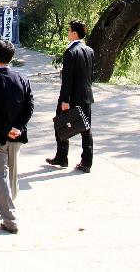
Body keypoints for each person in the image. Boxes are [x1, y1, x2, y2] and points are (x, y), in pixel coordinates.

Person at [0, 38, 34, 234]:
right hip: (17, 135)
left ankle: (9, 217)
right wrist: (17, 128)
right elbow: (30, 107)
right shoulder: (23, 79)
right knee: (12, 173)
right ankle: (9, 204)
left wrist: (5, 129)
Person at [46, 19, 94, 173]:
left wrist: (65, 100)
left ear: (74, 33)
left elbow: (67, 80)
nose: (67, 33)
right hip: (86, 96)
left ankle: (62, 157)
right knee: (86, 130)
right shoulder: (89, 50)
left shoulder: (70, 52)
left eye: (69, 31)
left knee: (60, 124)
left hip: (72, 97)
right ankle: (87, 162)